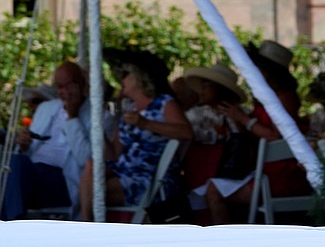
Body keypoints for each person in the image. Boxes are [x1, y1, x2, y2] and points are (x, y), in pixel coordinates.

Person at [200, 40, 312, 224]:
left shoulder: (284, 97)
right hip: (263, 171)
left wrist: (244, 119)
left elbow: (275, 135)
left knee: (213, 191)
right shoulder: (266, 96)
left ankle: (224, 242)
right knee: (212, 187)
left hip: (280, 175)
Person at [78, 51, 192, 220]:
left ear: (138, 77)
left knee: (93, 191)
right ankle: (86, 223)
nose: (121, 79)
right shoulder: (130, 109)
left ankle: (87, 224)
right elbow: (115, 154)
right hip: (125, 170)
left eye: (125, 75)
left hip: (150, 176)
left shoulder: (164, 103)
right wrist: (99, 131)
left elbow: (186, 132)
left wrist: (145, 124)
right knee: (91, 167)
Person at [1, 60, 113, 220]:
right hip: (31, 174)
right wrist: (24, 145)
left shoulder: (99, 117)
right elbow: (28, 152)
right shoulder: (46, 108)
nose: (64, 92)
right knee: (13, 162)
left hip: (65, 181)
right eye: (60, 87)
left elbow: (86, 160)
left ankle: (10, 224)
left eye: (69, 86)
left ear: (82, 85)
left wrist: (73, 117)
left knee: (16, 165)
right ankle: (11, 220)